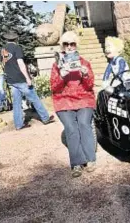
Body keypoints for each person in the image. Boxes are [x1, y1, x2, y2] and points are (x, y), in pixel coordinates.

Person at [50, 31, 96, 178]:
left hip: (84, 98)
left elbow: (90, 86)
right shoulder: (56, 65)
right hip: (64, 101)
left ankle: (90, 159)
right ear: (62, 46)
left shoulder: (84, 63)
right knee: (71, 128)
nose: (69, 47)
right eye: (66, 44)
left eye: (72, 44)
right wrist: (62, 76)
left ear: (76, 45)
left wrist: (86, 75)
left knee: (84, 123)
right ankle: (76, 163)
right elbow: (54, 88)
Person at [0, 30, 54, 130]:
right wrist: (27, 78)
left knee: (16, 102)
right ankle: (45, 118)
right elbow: (21, 63)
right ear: (15, 38)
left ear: (7, 39)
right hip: (20, 78)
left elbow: (3, 64)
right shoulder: (17, 47)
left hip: (11, 80)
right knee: (34, 98)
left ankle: (18, 124)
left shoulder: (3, 50)